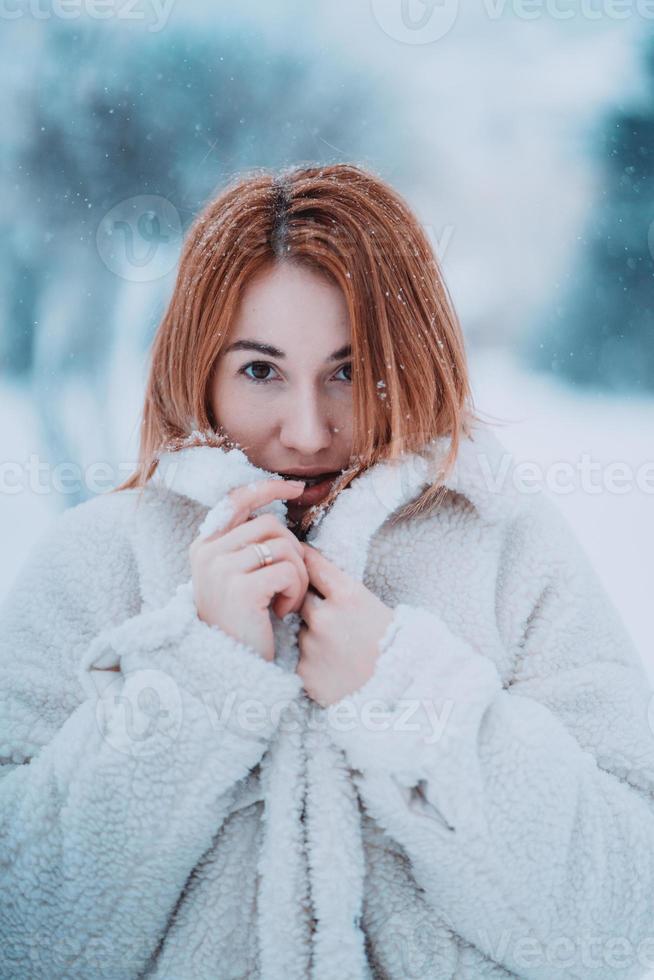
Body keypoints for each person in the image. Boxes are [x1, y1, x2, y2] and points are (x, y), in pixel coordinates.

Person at [1, 163, 654, 980]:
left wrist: (411, 697)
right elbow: (20, 930)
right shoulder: (92, 561)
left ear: (411, 359)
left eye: (348, 371)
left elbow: (626, 914)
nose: (308, 432)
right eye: (260, 370)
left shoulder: (510, 550)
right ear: (198, 367)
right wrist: (198, 677)